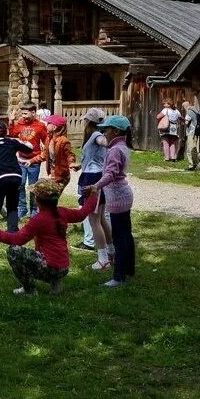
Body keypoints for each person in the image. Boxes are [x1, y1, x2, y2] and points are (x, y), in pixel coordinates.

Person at [0, 179, 99, 295]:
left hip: (51, 267)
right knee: (47, 257)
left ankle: (29, 290)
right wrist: (93, 195)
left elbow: (17, 240)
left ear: (37, 200)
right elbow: (82, 214)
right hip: (64, 267)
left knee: (13, 251)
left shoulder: (38, 219)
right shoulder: (62, 212)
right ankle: (56, 283)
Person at [83, 115, 136, 288]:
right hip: (123, 195)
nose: (103, 132)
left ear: (115, 131)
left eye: (105, 130)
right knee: (126, 233)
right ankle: (129, 269)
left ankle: (118, 277)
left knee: (120, 237)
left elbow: (111, 174)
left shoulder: (114, 150)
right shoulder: (121, 146)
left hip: (118, 196)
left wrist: (95, 186)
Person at [71, 107, 113, 270]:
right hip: (94, 175)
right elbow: (96, 157)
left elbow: (105, 142)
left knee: (94, 219)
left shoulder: (96, 135)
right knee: (101, 218)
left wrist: (110, 139)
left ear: (90, 122)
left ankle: (103, 260)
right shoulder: (94, 137)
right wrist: (81, 165)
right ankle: (111, 253)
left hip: (92, 179)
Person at [11, 102, 49, 218]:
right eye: (22, 113)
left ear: (33, 113)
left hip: (34, 162)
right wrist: (11, 121)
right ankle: (22, 208)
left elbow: (46, 141)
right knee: (20, 184)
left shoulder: (40, 126)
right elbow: (12, 134)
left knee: (33, 186)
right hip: (21, 160)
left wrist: (42, 155)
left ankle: (33, 209)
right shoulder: (19, 124)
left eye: (25, 113)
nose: (23, 116)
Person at [41, 114, 75, 191]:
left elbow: (69, 155)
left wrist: (72, 163)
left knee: (52, 196)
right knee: (51, 197)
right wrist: (31, 160)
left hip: (61, 175)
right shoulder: (48, 139)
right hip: (53, 173)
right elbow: (44, 155)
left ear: (54, 127)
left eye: (49, 123)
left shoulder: (63, 140)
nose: (46, 124)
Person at [182, 100, 200, 170]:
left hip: (191, 133)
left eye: (183, 107)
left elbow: (187, 122)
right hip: (195, 133)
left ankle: (192, 165)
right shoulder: (196, 111)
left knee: (190, 150)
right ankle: (195, 164)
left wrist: (182, 122)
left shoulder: (189, 112)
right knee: (193, 149)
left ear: (185, 106)